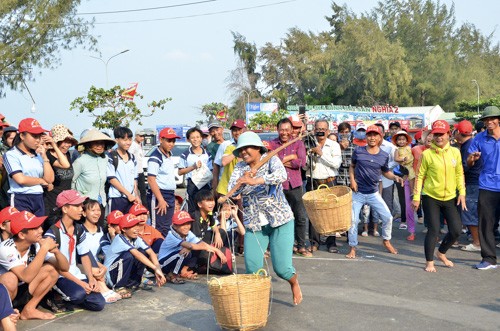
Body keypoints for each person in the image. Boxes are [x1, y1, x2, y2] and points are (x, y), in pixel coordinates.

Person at [228, 131, 302, 305]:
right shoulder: (239, 168)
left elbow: (282, 176)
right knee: (252, 268)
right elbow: (232, 192)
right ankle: (257, 303)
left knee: (282, 269)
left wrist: (258, 180)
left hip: (280, 221)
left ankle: (294, 282)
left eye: (248, 148)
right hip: (254, 224)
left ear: (257, 149)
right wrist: (242, 181)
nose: (244, 152)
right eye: (241, 150)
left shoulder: (271, 160)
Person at [412, 120, 466, 272]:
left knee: (456, 230)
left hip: (450, 197)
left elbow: (459, 174)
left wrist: (462, 192)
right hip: (431, 197)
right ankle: (429, 262)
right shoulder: (426, 154)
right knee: (434, 230)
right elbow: (419, 176)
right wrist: (416, 197)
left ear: (448, 134)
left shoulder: (455, 152)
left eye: (441, 134)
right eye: (435, 134)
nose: (438, 137)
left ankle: (441, 253)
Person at [347, 125, 404, 259]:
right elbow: (352, 166)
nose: (372, 138)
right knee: (353, 221)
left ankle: (386, 240)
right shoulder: (358, 151)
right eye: (369, 135)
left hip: (373, 194)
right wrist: (353, 181)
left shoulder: (384, 155)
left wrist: (395, 177)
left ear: (380, 137)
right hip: (358, 193)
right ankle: (352, 247)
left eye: (375, 135)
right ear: (366, 137)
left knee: (388, 217)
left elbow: (386, 172)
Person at [0, 210, 69, 320]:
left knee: (51, 270)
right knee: (10, 278)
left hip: (23, 289)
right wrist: (44, 249)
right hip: (5, 294)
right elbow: (26, 277)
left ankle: (29, 309)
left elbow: (65, 267)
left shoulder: (35, 245)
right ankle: (5, 314)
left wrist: (55, 251)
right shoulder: (5, 248)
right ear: (22, 235)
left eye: (40, 226)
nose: (41, 230)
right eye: (34, 228)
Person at [44, 190, 106, 311]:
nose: (81, 209)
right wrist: (82, 284)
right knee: (79, 294)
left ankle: (75, 296)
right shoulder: (53, 233)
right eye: (76, 206)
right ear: (65, 209)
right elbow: (59, 268)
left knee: (99, 303)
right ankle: (54, 296)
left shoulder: (78, 229)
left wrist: (91, 278)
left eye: (81, 205)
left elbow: (84, 255)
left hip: (76, 273)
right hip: (61, 276)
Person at [269, 118, 310, 257]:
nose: (284, 133)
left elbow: (301, 162)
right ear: (277, 130)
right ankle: (276, 246)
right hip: (277, 186)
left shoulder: (298, 143)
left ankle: (301, 246)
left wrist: (283, 160)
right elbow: (271, 162)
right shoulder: (273, 144)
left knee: (300, 217)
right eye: (282, 130)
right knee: (276, 217)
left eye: (287, 130)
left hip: (295, 185)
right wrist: (290, 157)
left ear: (292, 130)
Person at [467, 106, 500, 270]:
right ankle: (488, 258)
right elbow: (469, 162)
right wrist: (472, 158)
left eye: (492, 119)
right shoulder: (479, 138)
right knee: (486, 223)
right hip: (487, 185)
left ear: (498, 119)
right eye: (486, 120)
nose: (489, 122)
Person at [104, 213, 166, 297]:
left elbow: (151, 252)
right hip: (110, 275)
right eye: (132, 226)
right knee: (128, 256)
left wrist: (158, 270)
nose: (137, 229)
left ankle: (133, 283)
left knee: (143, 251)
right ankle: (118, 286)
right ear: (124, 229)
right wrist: (154, 268)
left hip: (120, 270)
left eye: (137, 225)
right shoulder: (120, 239)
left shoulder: (136, 238)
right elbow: (137, 254)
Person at [158, 211, 227, 285]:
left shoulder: (188, 233)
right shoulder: (171, 235)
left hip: (173, 259)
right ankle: (172, 275)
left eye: (188, 223)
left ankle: (178, 272)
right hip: (163, 263)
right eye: (182, 224)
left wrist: (217, 251)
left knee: (188, 251)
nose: (186, 227)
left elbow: (201, 243)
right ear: (175, 226)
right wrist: (193, 247)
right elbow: (190, 246)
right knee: (184, 253)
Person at [3, 118, 54, 216]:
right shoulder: (11, 154)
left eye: (39, 136)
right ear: (22, 136)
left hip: (39, 197)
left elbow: (49, 180)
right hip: (21, 198)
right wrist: (41, 181)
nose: (38, 140)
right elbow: (20, 179)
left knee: (38, 230)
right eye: (34, 136)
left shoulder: (38, 155)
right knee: (23, 229)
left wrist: (44, 157)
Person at [305, 119, 342, 253]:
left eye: (323, 129)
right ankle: (314, 242)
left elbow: (336, 164)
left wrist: (320, 154)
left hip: (329, 181)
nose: (320, 131)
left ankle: (331, 242)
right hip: (313, 181)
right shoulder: (309, 144)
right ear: (314, 130)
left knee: (331, 213)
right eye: (318, 129)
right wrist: (310, 156)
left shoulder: (333, 145)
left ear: (328, 131)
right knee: (313, 213)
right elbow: (304, 167)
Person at [81, 199, 122, 303]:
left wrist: (113, 236)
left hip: (98, 265)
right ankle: (103, 289)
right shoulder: (79, 231)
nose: (97, 213)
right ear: (84, 213)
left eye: (98, 210)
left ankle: (104, 287)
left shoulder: (101, 230)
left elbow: (108, 253)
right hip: (83, 264)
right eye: (93, 210)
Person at [72, 129, 116, 224]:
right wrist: (78, 199)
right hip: (85, 204)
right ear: (89, 145)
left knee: (99, 230)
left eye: (102, 143)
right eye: (96, 143)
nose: (100, 146)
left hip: (101, 203)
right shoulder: (80, 161)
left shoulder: (105, 159)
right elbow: (72, 181)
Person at [453, 120, 481, 252]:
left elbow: (464, 167)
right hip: (478, 182)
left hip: (472, 183)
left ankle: (477, 243)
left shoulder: (468, 146)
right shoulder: (473, 142)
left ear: (458, 132)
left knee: (470, 214)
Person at [147, 127, 180, 237]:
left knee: (167, 226)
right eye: (169, 141)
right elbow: (151, 180)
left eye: (173, 141)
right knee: (158, 227)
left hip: (169, 194)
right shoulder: (156, 156)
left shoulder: (168, 155)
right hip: (159, 194)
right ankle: (155, 252)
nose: (172, 144)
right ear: (161, 140)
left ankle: (165, 252)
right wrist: (160, 199)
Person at [44, 124, 77, 228]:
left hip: (66, 201)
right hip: (52, 201)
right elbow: (65, 165)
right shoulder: (48, 155)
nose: (68, 145)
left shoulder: (67, 155)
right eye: (65, 141)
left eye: (69, 142)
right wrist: (53, 145)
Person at [178, 127, 212, 214]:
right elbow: (180, 172)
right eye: (192, 138)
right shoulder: (185, 154)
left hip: (206, 185)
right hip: (192, 185)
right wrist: (193, 167)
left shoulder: (208, 154)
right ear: (188, 140)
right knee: (193, 211)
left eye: (197, 137)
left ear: (201, 138)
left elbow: (212, 171)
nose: (195, 140)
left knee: (206, 210)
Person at [107, 127, 140, 214]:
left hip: (131, 199)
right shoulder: (111, 157)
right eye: (124, 140)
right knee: (115, 225)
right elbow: (112, 179)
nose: (128, 142)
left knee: (130, 225)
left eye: (129, 139)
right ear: (117, 140)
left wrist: (136, 195)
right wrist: (128, 194)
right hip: (116, 198)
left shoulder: (133, 158)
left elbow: (134, 179)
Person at [392, 130, 416, 238]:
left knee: (412, 176)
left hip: (411, 167)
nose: (401, 141)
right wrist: (402, 159)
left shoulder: (410, 148)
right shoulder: (397, 150)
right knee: (409, 178)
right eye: (399, 139)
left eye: (403, 139)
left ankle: (412, 192)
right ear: (396, 141)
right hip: (404, 168)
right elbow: (396, 159)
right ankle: (411, 192)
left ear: (407, 140)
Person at [129, 129, 147, 204]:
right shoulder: (133, 145)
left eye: (143, 136)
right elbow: (130, 157)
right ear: (136, 136)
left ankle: (145, 208)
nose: (142, 138)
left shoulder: (140, 145)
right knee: (135, 191)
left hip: (140, 171)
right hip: (135, 172)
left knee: (143, 191)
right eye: (141, 136)